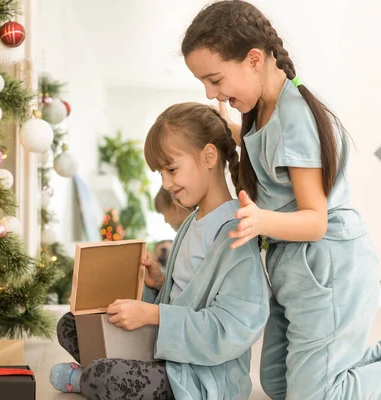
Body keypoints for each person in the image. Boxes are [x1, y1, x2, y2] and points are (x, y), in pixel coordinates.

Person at [181, 2, 381, 399]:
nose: (210, 92)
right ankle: (346, 357)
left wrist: (260, 221)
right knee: (275, 382)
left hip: (328, 269)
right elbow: (269, 158)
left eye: (215, 79)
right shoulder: (264, 110)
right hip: (294, 271)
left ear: (254, 59)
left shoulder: (294, 118)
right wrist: (232, 131)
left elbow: (315, 221)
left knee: (316, 395)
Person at [49, 102, 269, 399]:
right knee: (71, 324)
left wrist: (155, 315)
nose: (165, 183)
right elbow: (188, 295)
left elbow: (232, 328)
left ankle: (87, 378)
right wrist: (159, 283)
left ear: (208, 156)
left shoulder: (237, 232)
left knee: (108, 375)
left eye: (172, 169)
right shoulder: (192, 221)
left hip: (200, 376)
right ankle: (100, 372)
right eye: (160, 173)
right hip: (166, 354)